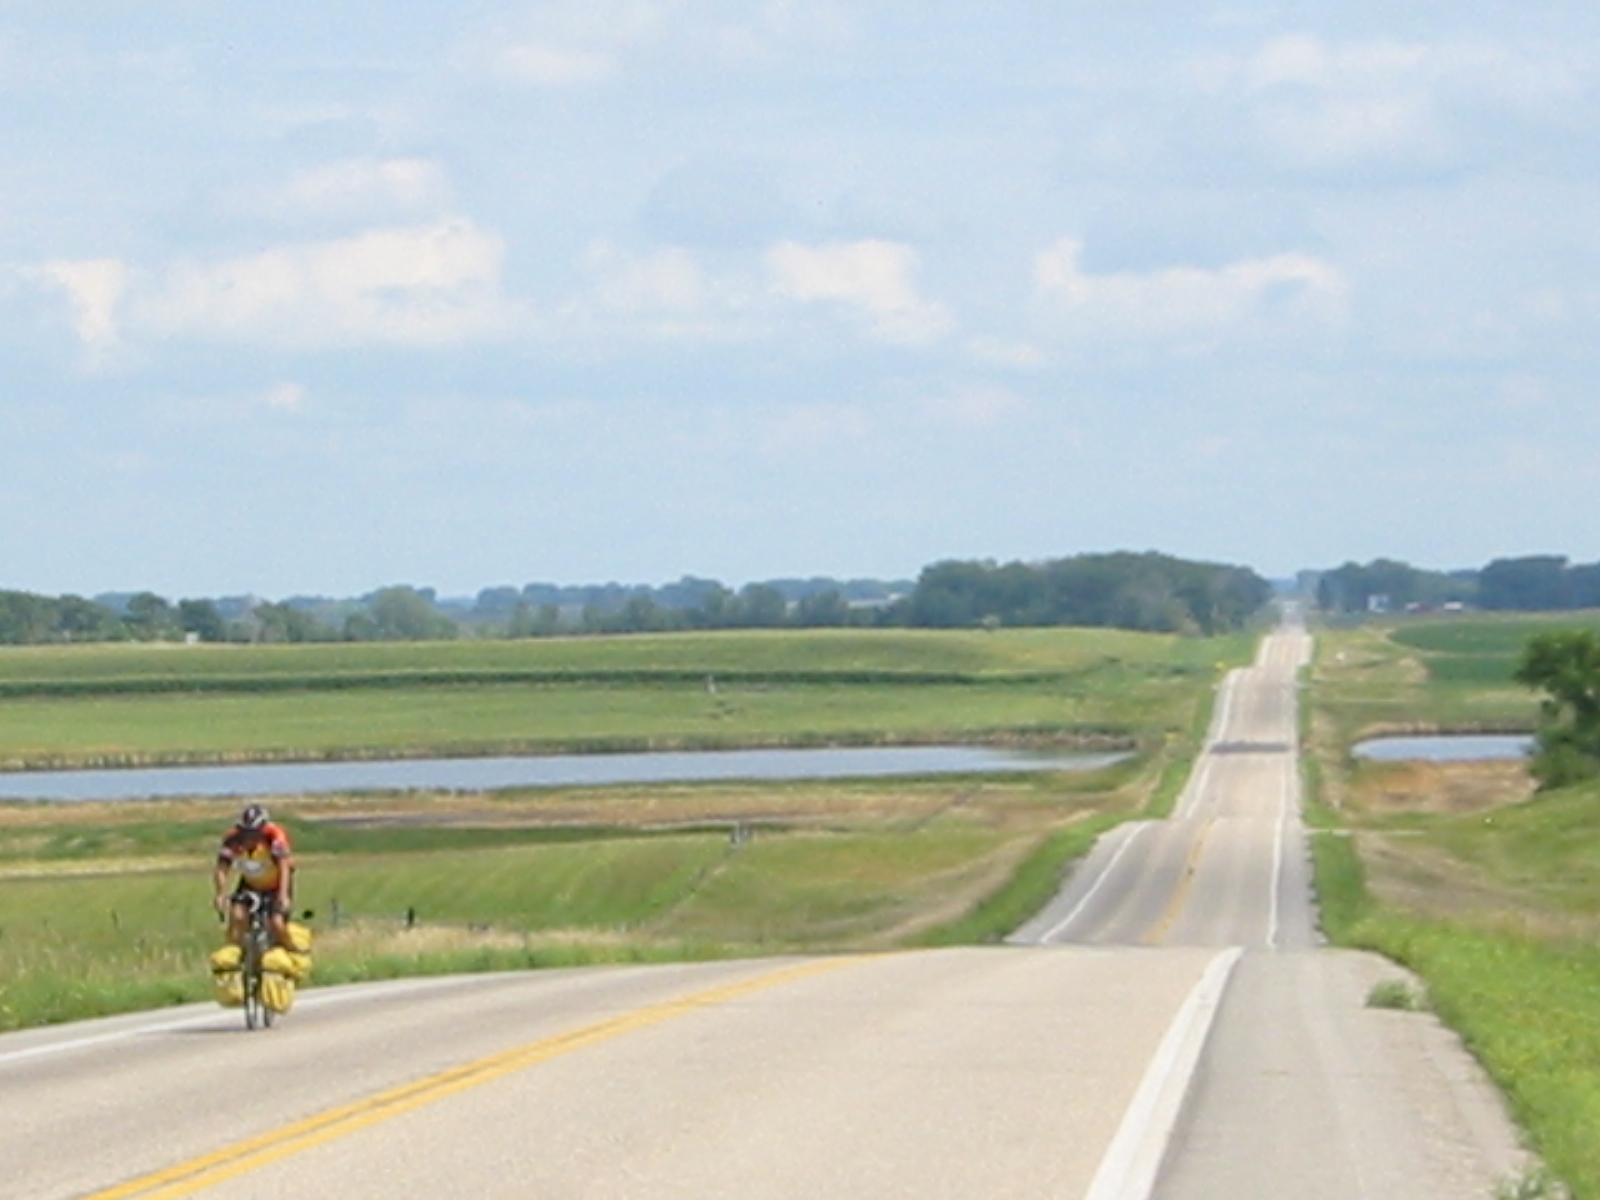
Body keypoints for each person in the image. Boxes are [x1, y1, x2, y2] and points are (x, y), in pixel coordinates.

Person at [214, 803, 295, 950]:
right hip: (250, 883)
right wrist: (221, 894)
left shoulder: (275, 836)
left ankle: (291, 952)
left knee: (277, 924)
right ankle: (237, 956)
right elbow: (222, 868)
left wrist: (283, 896)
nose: (249, 837)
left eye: (254, 833)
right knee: (237, 917)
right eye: (246, 832)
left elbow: (285, 867)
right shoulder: (232, 839)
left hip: (276, 884)